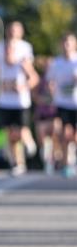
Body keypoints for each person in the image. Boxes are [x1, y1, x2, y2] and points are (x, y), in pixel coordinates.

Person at [0, 34, 38, 176]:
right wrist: (4, 86)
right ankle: (18, 163)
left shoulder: (22, 63)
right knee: (10, 135)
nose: (8, 51)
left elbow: (35, 79)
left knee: (21, 130)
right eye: (6, 49)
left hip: (20, 103)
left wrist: (23, 86)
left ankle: (29, 144)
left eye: (11, 49)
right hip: (5, 103)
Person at [46, 32, 77, 177]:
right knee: (64, 134)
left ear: (74, 44)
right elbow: (49, 82)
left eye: (69, 42)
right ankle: (66, 164)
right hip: (62, 103)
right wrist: (52, 90)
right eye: (64, 42)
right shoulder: (56, 63)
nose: (66, 46)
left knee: (74, 137)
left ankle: (72, 157)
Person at [32, 56, 60, 173]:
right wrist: (41, 100)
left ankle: (56, 158)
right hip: (42, 113)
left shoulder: (58, 79)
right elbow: (34, 95)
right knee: (42, 138)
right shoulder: (41, 80)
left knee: (55, 135)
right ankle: (47, 160)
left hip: (55, 113)